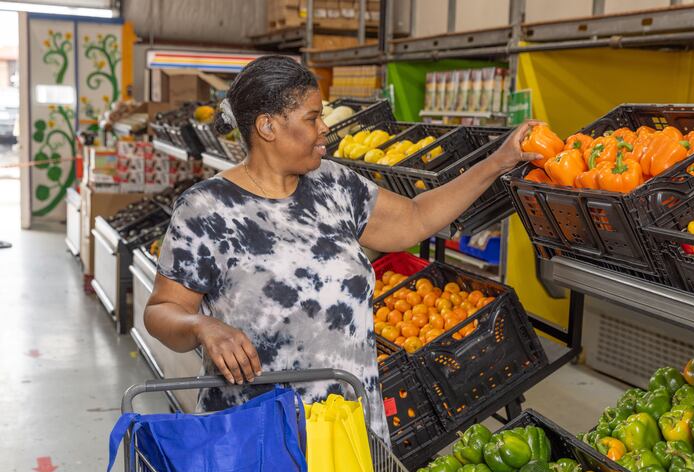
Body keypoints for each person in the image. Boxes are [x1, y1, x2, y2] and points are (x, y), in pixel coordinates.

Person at [144, 55, 541, 442]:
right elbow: (162, 311)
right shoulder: (206, 208)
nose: (324, 131)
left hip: (345, 428)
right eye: (312, 118)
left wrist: (497, 162)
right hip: (255, 437)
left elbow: (417, 218)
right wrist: (202, 326)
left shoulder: (335, 185)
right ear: (268, 126)